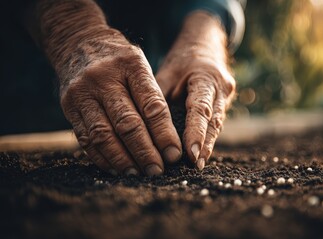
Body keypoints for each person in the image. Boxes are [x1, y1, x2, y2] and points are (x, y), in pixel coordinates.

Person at [0, 0, 245, 176]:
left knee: (149, 122)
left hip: (154, 79)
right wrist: (69, 25)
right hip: (19, 99)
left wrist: (203, 36)